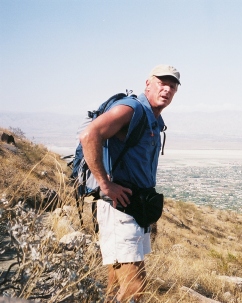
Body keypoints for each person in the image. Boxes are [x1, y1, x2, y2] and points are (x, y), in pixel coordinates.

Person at [80, 64, 180, 302]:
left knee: (116, 287)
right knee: (137, 287)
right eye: (161, 83)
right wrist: (106, 185)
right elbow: (89, 135)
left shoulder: (155, 119)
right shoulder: (131, 108)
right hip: (119, 207)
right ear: (148, 84)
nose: (166, 89)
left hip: (136, 206)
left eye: (172, 86)